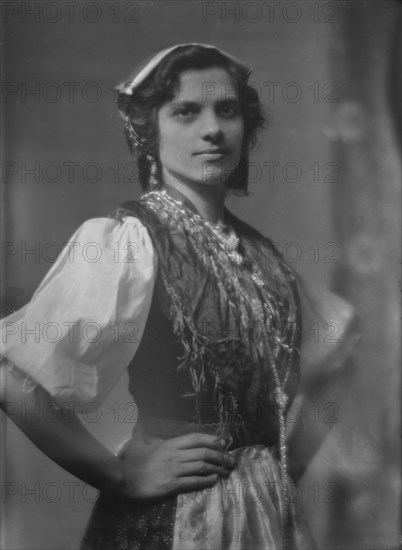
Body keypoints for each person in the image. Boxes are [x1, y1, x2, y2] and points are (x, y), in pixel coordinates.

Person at [0, 43, 358, 550]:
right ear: (149, 132)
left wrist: (280, 468)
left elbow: (338, 363)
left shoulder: (264, 256)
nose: (212, 129)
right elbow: (13, 380)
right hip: (177, 521)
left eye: (227, 111)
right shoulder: (127, 241)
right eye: (186, 111)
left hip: (268, 519)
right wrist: (119, 475)